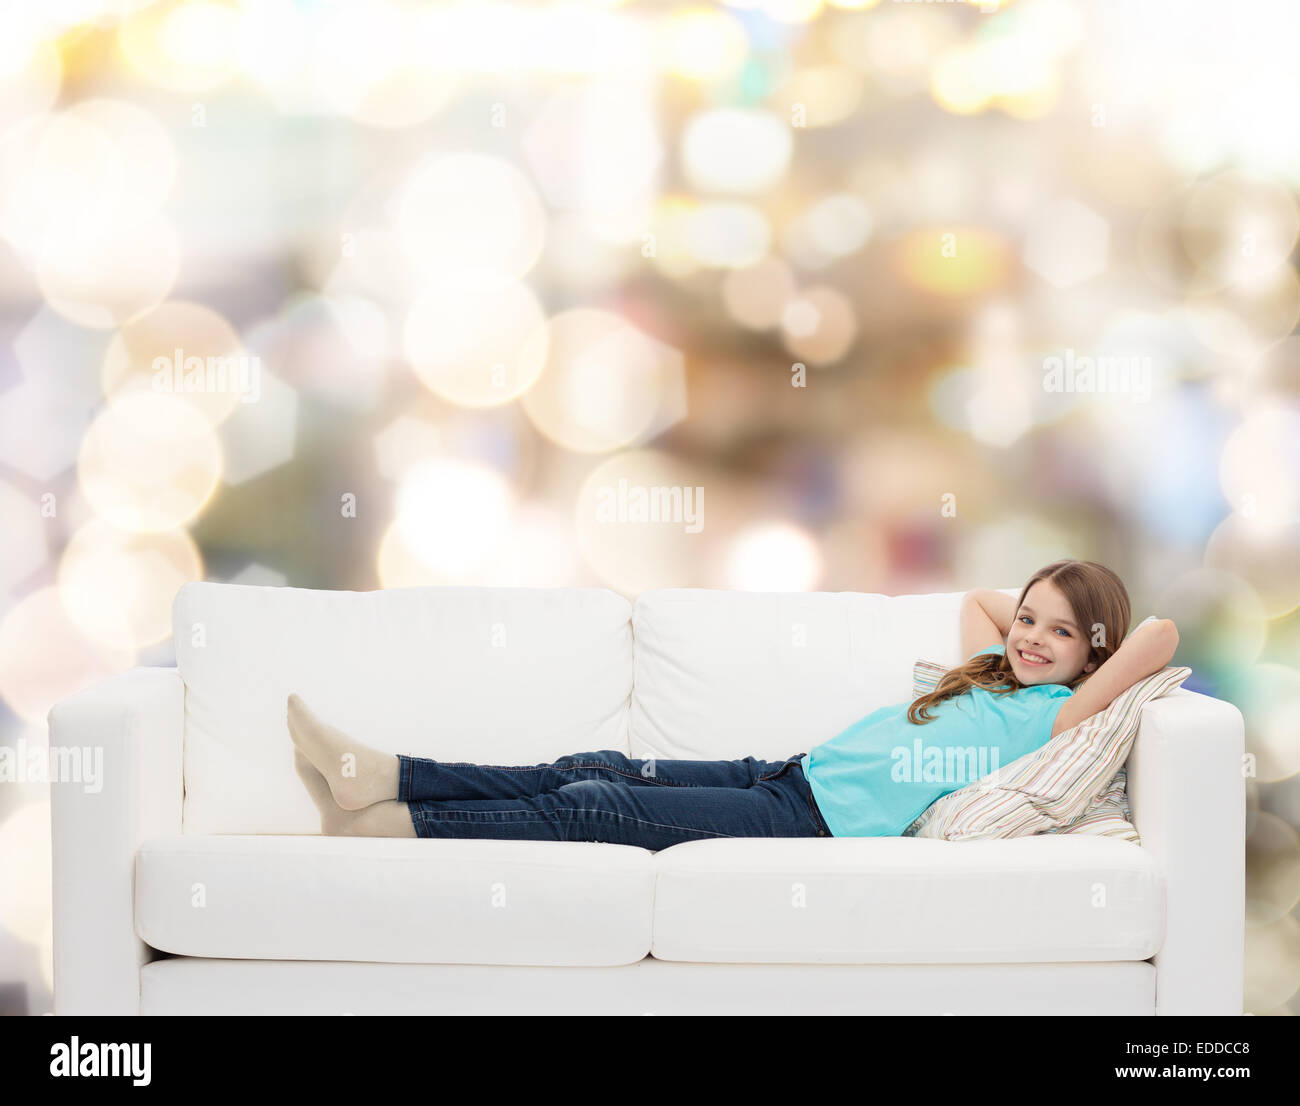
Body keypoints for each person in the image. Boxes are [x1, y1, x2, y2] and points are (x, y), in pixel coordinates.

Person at [288, 558, 1178, 847]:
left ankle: (401, 823)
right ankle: (389, 774)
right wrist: (1028, 616)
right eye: (1029, 619)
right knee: (588, 766)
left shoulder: (1054, 713)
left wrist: (1085, 650)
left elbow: (1159, 639)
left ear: (1090, 653)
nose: (1029, 637)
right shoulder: (992, 666)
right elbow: (984, 608)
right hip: (788, 773)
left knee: (597, 807)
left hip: (813, 822)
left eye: (1059, 633)